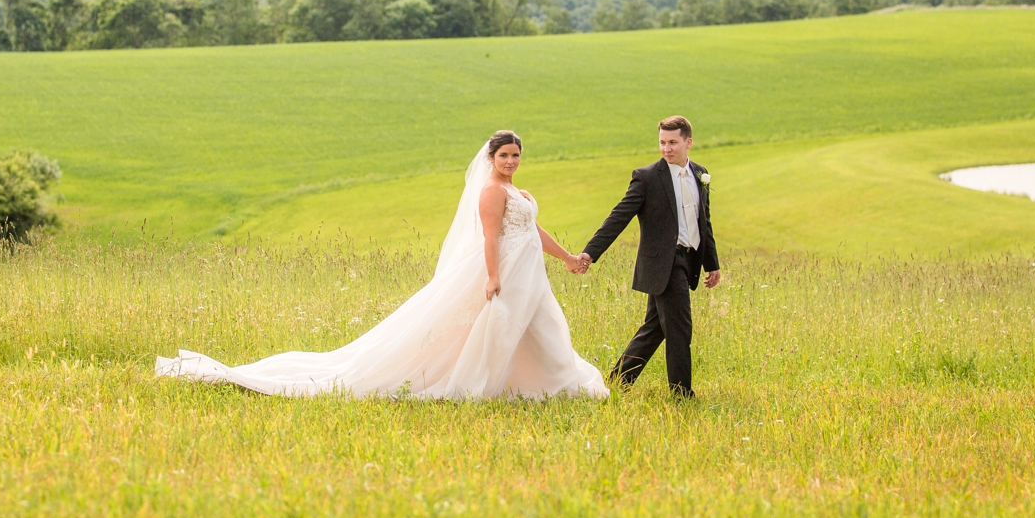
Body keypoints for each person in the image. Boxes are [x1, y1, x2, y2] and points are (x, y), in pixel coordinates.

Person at [156, 130, 609, 400]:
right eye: (504, 156)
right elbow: (491, 237)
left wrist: (568, 257)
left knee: (539, 324)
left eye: (515, 156)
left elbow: (533, 232)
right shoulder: (491, 192)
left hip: (532, 273)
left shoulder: (521, 194)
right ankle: (504, 384)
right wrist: (493, 277)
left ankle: (549, 382)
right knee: (500, 327)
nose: (510, 162)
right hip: (505, 271)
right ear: (491, 159)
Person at [574, 115, 721, 398]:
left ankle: (616, 384)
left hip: (688, 260)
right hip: (664, 263)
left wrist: (711, 264)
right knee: (679, 327)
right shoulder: (647, 177)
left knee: (655, 327)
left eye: (673, 143)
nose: (666, 149)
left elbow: (705, 223)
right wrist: (591, 253)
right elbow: (619, 216)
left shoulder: (700, 174)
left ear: (688, 142)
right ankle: (681, 394)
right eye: (662, 143)